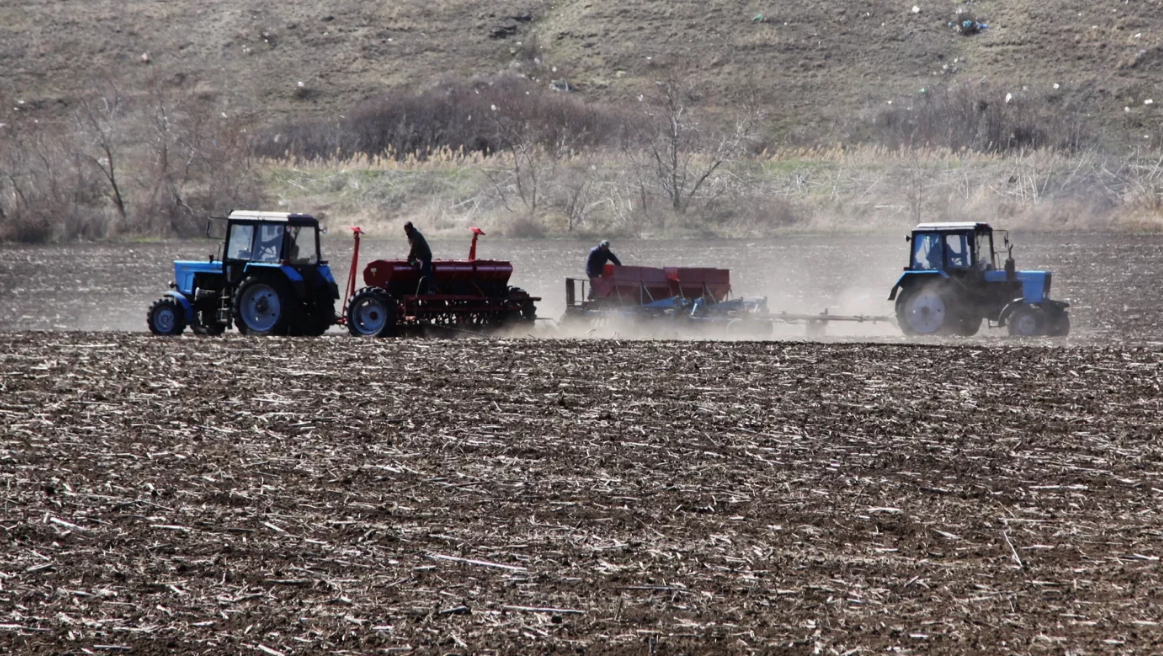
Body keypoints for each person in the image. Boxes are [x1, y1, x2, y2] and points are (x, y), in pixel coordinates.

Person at [404, 221, 434, 294]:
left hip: (425, 255)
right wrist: (412, 257)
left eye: (406, 230)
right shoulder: (410, 236)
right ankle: (420, 289)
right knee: (416, 268)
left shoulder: (416, 235)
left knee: (424, 269)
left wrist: (410, 255)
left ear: (409, 229)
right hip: (419, 256)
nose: (405, 232)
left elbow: (414, 247)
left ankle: (431, 288)